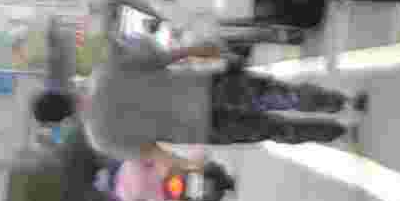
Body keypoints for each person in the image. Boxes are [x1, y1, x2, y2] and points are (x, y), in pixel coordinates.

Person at [34, 42, 358, 157]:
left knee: (271, 129)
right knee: (272, 96)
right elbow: (164, 57)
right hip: (200, 88)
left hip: (200, 128)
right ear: (62, 92)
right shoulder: (104, 73)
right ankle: (340, 103)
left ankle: (337, 132)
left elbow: (152, 151)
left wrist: (186, 164)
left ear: (62, 120)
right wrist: (199, 50)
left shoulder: (100, 138)